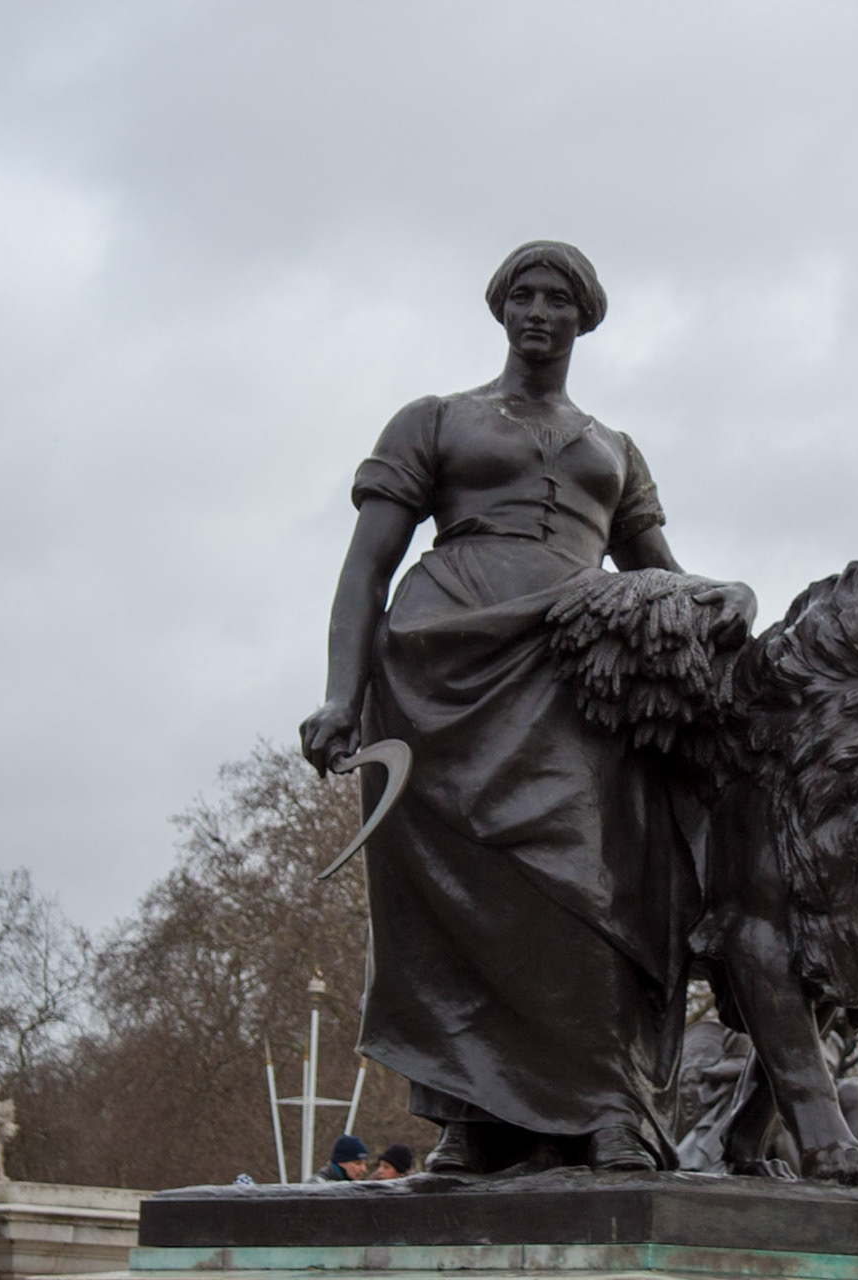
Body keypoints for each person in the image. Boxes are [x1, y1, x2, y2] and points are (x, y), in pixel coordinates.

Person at [300, 241, 755, 1175]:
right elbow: (366, 568)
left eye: (556, 299)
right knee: (456, 895)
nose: (537, 312)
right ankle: (471, 1116)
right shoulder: (434, 419)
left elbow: (658, 571)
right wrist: (341, 694)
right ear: (501, 309)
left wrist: (725, 599)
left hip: (572, 664)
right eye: (523, 295)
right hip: (439, 668)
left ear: (584, 318)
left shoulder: (614, 449)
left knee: (587, 884)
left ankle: (607, 1106)